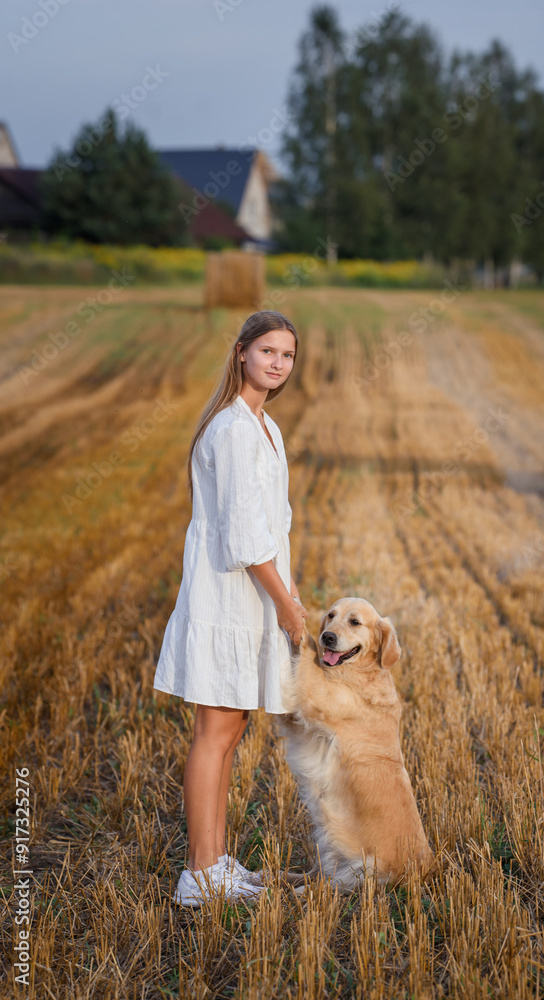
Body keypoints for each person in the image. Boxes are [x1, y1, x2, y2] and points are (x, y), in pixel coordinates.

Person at [153, 310, 309, 907]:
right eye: (267, 351)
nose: (277, 363)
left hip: (254, 599)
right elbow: (245, 540)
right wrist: (289, 609)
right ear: (242, 352)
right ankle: (199, 875)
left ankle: (216, 863)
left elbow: (274, 528)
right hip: (229, 598)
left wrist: (285, 597)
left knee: (231, 727)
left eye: (287, 356)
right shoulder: (233, 430)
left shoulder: (263, 427)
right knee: (215, 733)